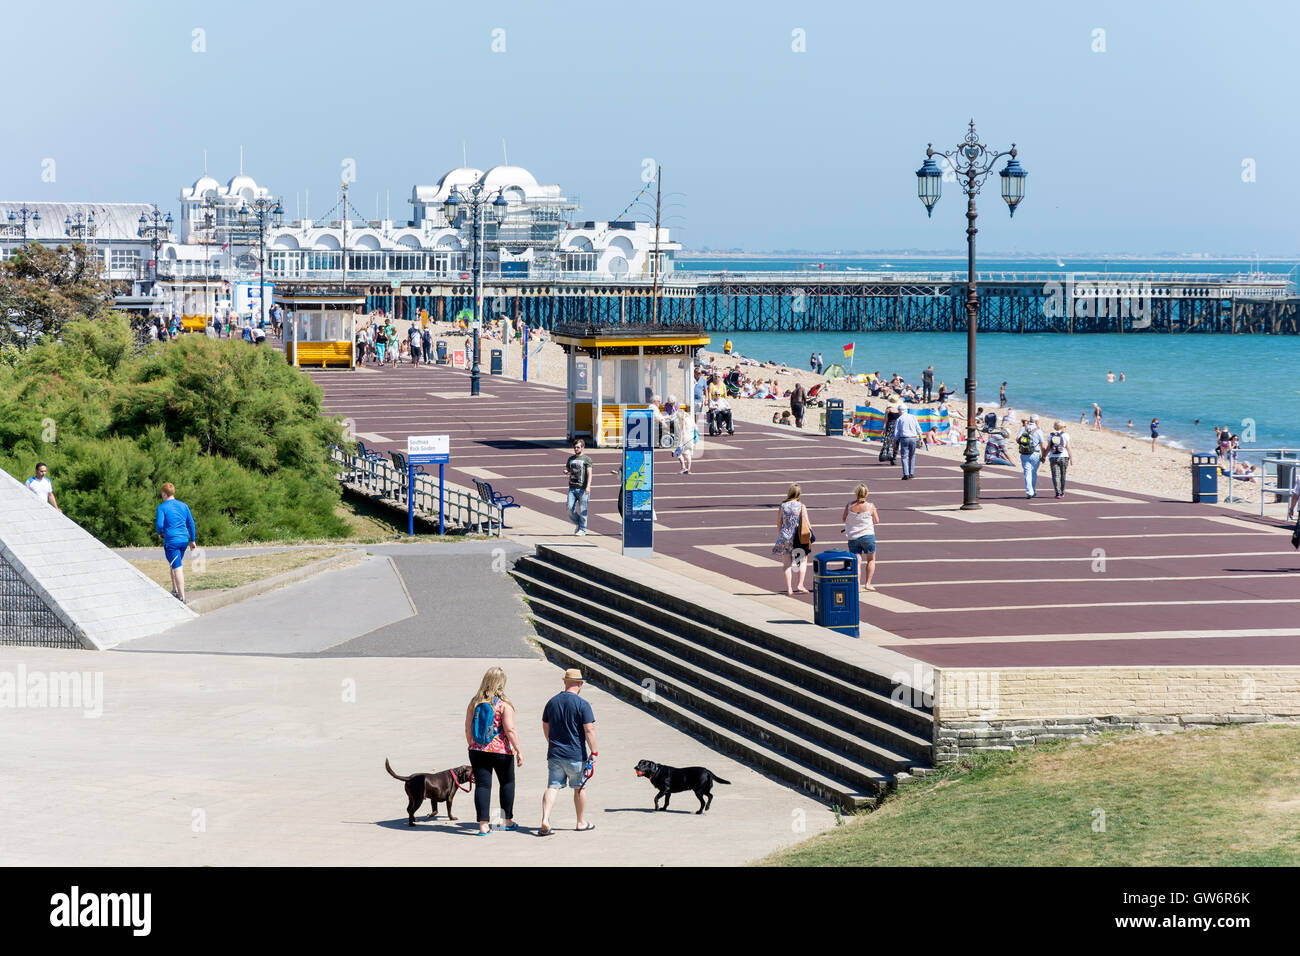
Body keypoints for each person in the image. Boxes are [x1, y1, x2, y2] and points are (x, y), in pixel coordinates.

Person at [464, 666, 522, 835]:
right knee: (506, 783)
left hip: (477, 750)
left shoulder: (475, 702)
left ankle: (484, 826)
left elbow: (468, 728)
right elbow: (510, 729)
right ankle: (504, 821)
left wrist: (473, 745)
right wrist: (519, 750)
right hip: (500, 751)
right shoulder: (504, 704)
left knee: (483, 785)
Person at [539, 668, 598, 835]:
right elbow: (589, 730)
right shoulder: (582, 704)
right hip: (576, 755)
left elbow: (545, 724)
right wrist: (594, 752)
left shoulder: (552, 702)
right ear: (579, 684)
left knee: (552, 786)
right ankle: (580, 822)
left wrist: (550, 741)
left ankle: (545, 819)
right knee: (579, 787)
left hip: (555, 754)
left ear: (565, 682)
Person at [155, 482, 197, 603]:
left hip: (172, 541)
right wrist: (192, 540)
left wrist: (160, 533)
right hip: (184, 540)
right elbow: (191, 523)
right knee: (173, 563)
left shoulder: (162, 507)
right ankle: (174, 590)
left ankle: (182, 597)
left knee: (177, 567)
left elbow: (159, 524)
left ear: (164, 493)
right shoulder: (184, 506)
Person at [772, 483, 813, 595]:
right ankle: (800, 584)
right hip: (798, 538)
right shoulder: (801, 506)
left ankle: (789, 588)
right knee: (802, 561)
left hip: (785, 537)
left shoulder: (783, 506)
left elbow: (779, 523)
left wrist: (782, 535)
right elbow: (808, 524)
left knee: (786, 564)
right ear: (799, 493)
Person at [842, 483, 881, 591]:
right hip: (868, 536)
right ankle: (868, 583)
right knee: (871, 560)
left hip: (853, 537)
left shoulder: (849, 505)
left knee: (857, 561)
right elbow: (876, 521)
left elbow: (844, 519)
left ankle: (857, 584)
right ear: (866, 494)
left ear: (856, 493)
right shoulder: (871, 506)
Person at [564, 439, 592, 535]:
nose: (576, 449)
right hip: (572, 488)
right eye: (575, 447)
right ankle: (579, 523)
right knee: (569, 508)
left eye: (578, 447)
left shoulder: (586, 459)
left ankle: (582, 529)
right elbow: (569, 471)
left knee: (583, 509)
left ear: (582, 448)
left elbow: (589, 474)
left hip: (583, 489)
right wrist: (566, 472)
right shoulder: (571, 459)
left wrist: (588, 486)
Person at [1016, 415, 1047, 498]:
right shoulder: (1039, 430)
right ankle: (1033, 490)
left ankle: (1029, 491)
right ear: (1036, 421)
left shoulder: (1023, 428)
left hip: (1024, 453)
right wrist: (1043, 456)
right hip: (1035, 453)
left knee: (1027, 473)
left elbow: (1017, 440)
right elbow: (1042, 445)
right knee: (1033, 473)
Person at [1046, 420, 1073, 498]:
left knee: (1055, 475)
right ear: (1062, 427)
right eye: (1064, 426)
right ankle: (1062, 492)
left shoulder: (1050, 435)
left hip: (1053, 457)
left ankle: (1058, 493)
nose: (1065, 428)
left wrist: (1044, 456)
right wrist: (1071, 458)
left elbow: (1048, 447)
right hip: (1064, 456)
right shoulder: (1066, 435)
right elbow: (1068, 447)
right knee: (1063, 474)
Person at [895, 406, 923, 480]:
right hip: (913, 438)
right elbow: (918, 428)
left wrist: (895, 442)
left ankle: (906, 474)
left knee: (904, 457)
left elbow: (896, 432)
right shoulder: (913, 417)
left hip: (904, 438)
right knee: (912, 456)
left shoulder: (899, 419)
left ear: (900, 411)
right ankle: (911, 473)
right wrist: (921, 439)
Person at [674, 404, 697, 474]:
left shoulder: (683, 420)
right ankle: (689, 469)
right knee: (688, 454)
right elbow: (696, 428)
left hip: (685, 438)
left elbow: (682, 431)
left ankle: (683, 467)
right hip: (691, 438)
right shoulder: (691, 419)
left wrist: (680, 442)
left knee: (678, 452)